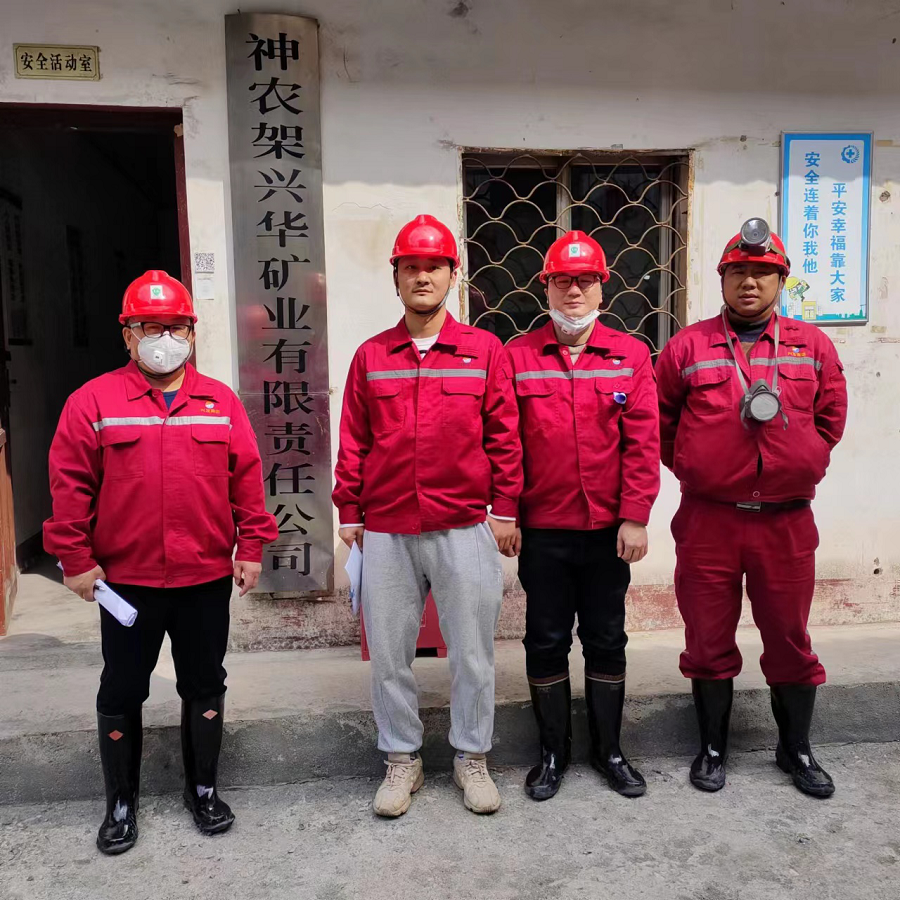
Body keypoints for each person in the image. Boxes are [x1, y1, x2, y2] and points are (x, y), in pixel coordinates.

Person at [44, 271, 278, 853]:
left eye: (176, 327)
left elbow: (247, 480)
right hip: (128, 582)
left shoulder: (220, 402)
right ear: (127, 334)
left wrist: (251, 546)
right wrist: (74, 558)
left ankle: (203, 791)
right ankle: (121, 803)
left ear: (192, 333)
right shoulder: (92, 402)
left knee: (204, 682)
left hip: (203, 577)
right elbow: (70, 486)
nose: (164, 339)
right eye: (150, 327)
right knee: (122, 689)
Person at [333, 214, 523, 817]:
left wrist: (505, 509)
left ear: (451, 276)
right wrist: (349, 509)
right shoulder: (372, 356)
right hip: (388, 526)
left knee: (472, 652)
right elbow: (354, 439)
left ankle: (472, 756)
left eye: (433, 267)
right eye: (410, 267)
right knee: (390, 654)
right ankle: (401, 759)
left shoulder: (483, 351)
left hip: (463, 523)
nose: (422, 277)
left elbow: (504, 436)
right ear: (396, 278)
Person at [656, 219, 847, 797]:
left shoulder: (812, 346)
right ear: (721, 279)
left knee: (789, 637)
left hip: (786, 522)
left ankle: (796, 749)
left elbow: (830, 420)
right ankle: (713, 749)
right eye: (738, 271)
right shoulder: (687, 347)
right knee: (707, 637)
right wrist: (699, 466)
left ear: (781, 281)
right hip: (709, 520)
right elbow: (662, 425)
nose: (749, 282)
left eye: (763, 273)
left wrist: (803, 457)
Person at [506, 231, 660, 801]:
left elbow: (642, 442)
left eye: (586, 280)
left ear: (602, 288)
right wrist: (506, 512)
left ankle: (608, 751)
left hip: (607, 533)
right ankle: (553, 753)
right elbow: (505, 443)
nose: (574, 291)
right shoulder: (517, 356)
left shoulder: (630, 355)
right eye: (563, 280)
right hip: (543, 530)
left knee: (606, 637)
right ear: (545, 286)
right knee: (545, 640)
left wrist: (636, 516)